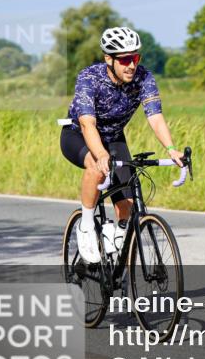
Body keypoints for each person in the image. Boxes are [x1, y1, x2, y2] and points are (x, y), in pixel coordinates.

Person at [60, 27, 184, 263]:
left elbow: (155, 117)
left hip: (115, 137)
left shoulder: (143, 78)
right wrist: (100, 154)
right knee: (96, 168)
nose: (131, 65)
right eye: (125, 59)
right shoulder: (89, 78)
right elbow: (88, 124)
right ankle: (86, 227)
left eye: (135, 58)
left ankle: (116, 240)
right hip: (78, 134)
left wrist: (171, 149)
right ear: (109, 59)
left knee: (127, 204)